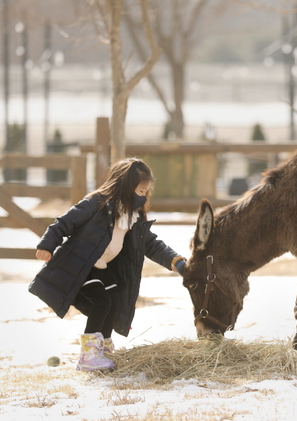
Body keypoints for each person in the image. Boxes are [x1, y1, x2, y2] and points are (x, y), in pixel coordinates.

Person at [29, 158, 187, 371]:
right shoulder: (97, 203)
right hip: (81, 264)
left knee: (113, 302)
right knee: (101, 302)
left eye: (145, 192)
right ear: (124, 186)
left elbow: (149, 243)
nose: (142, 197)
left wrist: (174, 260)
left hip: (102, 268)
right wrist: (48, 244)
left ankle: (102, 348)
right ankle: (88, 356)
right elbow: (65, 222)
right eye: (139, 191)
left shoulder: (133, 215)